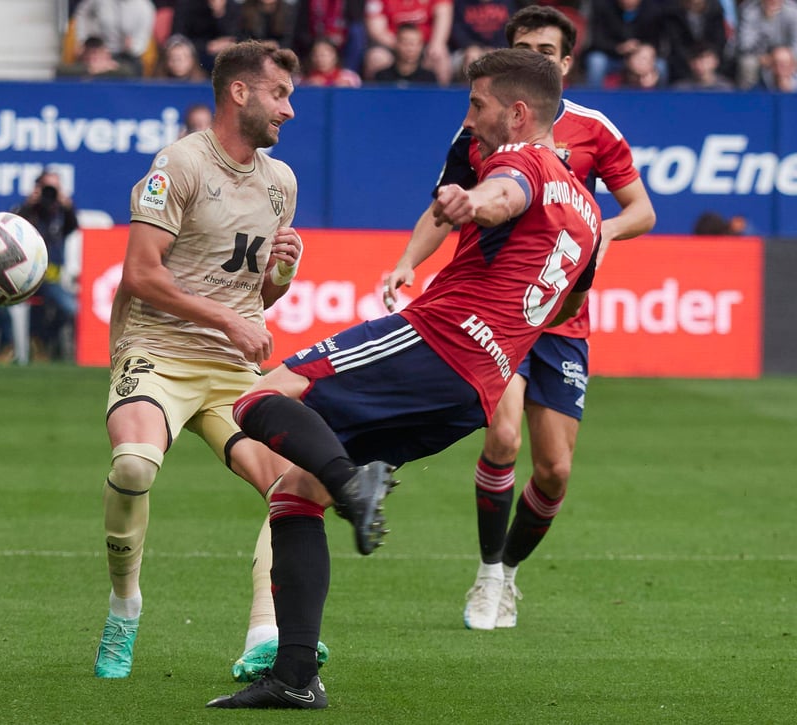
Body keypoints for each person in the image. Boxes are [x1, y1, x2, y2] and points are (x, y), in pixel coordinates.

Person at [209, 48, 602, 709]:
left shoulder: (519, 160)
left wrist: (472, 201)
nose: (470, 120)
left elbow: (505, 195)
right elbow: (565, 307)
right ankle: (295, 676)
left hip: (435, 342)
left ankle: (353, 484)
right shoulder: (590, 214)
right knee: (294, 491)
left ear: (519, 111)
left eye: (477, 105)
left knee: (255, 398)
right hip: (475, 390)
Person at [382, 5, 656, 633]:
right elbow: (445, 207)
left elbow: (642, 210)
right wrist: (407, 261)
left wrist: (603, 231)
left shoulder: (595, 130)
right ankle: (485, 574)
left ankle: (508, 571)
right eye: (524, 45)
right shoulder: (476, 132)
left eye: (547, 48)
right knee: (502, 438)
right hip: (496, 315)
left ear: (565, 62)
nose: (536, 55)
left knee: (555, 471)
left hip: (560, 319)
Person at [92, 40, 308, 681]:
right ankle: (124, 606)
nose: (289, 111)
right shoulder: (179, 164)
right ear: (239, 92)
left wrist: (281, 276)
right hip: (156, 350)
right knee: (133, 466)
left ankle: (264, 634)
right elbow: (138, 273)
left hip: (227, 369)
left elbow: (256, 295)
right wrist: (228, 321)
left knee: (291, 484)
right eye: (279, 94)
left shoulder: (281, 182)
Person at [11, 169, 80, 359]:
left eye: (54, 188)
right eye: (46, 187)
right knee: (66, 305)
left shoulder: (59, 213)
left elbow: (73, 228)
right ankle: (21, 346)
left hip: (53, 275)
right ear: (37, 188)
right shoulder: (29, 211)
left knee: (70, 309)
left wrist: (67, 206)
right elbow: (10, 228)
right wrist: (28, 205)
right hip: (27, 275)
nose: (50, 193)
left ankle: (46, 344)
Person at [735, 0, 797, 88]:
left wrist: (784, 58)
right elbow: (745, 43)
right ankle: (748, 98)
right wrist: (765, 57)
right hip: (762, 57)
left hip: (788, 56)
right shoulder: (749, 11)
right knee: (747, 64)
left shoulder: (795, 11)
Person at [72, 0, 155, 75]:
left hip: (126, 57)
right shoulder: (98, 2)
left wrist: (131, 47)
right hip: (97, 51)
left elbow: (140, 45)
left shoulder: (145, 7)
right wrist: (82, 39)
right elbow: (82, 13)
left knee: (132, 69)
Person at [370, 22, 438, 83]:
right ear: (396, 43)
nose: (410, 49)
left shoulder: (428, 79)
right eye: (405, 43)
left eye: (415, 44)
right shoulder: (382, 77)